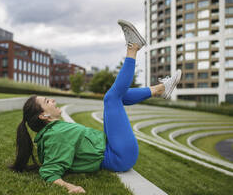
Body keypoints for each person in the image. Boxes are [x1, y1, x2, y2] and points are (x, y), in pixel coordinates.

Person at [10, 19, 182, 194]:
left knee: (116, 97)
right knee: (111, 98)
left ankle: (160, 89)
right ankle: (133, 48)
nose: (52, 101)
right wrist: (70, 187)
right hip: (118, 156)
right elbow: (49, 172)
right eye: (47, 102)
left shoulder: (54, 131)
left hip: (112, 147)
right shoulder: (54, 136)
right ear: (43, 116)